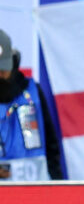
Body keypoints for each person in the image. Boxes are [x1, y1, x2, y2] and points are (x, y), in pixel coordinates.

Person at [0, 29, 64, 181]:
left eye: (4, 68)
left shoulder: (32, 91)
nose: (0, 73)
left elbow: (51, 143)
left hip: (37, 191)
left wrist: (58, 184)